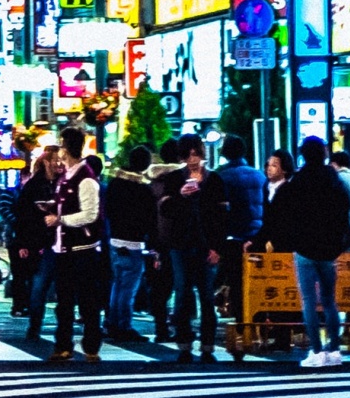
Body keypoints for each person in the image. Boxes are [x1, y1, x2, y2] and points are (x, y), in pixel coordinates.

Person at [272, 134, 350, 367]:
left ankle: (316, 350)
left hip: (305, 248)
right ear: (325, 153)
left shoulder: (297, 182)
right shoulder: (334, 180)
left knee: (308, 300)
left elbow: (283, 213)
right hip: (330, 249)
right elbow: (343, 210)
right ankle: (335, 349)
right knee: (329, 300)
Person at [156, 134, 226, 361]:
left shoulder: (214, 179)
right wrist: (179, 196)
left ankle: (207, 346)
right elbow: (165, 211)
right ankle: (184, 344)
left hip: (206, 244)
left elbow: (222, 216)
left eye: (196, 153)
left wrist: (217, 247)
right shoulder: (175, 179)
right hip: (180, 243)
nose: (192, 159)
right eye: (188, 155)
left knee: (206, 294)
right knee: (183, 291)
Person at [51, 123, 105, 363]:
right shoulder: (65, 177)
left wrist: (59, 219)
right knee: (64, 302)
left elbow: (90, 215)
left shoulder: (85, 179)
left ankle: (91, 346)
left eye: (61, 145)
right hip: (63, 248)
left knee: (87, 301)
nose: (58, 152)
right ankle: (63, 345)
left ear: (67, 148)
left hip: (82, 250)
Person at [103, 141, 156, 344]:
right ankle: (123, 325)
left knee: (117, 284)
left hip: (114, 239)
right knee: (128, 287)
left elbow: (108, 210)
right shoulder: (142, 189)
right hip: (133, 241)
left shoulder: (115, 184)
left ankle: (112, 322)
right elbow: (149, 218)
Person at [14, 139, 61, 343]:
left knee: (58, 286)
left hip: (60, 240)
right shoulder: (35, 184)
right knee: (39, 284)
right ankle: (34, 326)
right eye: (55, 161)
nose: (59, 164)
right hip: (40, 241)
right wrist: (23, 242)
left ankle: (60, 327)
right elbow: (22, 214)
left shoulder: (63, 182)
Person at [216, 133, 264, 331]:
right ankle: (257, 320)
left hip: (233, 235)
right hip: (257, 235)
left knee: (236, 280)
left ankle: (241, 322)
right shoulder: (259, 174)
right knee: (257, 280)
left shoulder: (221, 175)